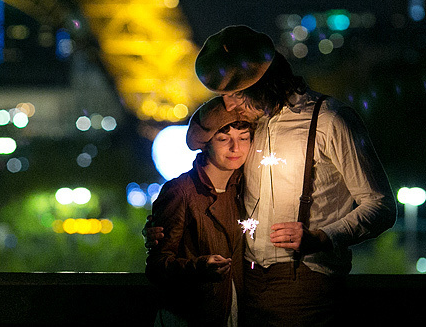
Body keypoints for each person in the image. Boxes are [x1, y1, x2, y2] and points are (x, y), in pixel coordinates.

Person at [147, 25, 396, 326]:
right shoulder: (251, 124)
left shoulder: (330, 120)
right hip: (242, 281)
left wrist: (322, 237)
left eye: (235, 93)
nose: (228, 105)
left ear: (263, 83)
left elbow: (380, 206)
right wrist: (167, 225)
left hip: (303, 280)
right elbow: (210, 172)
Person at [146, 96, 254, 327]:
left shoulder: (248, 187)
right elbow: (157, 267)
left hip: (238, 310)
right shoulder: (181, 191)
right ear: (206, 142)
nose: (236, 148)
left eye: (243, 138)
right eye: (224, 139)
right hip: (192, 313)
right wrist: (199, 267)